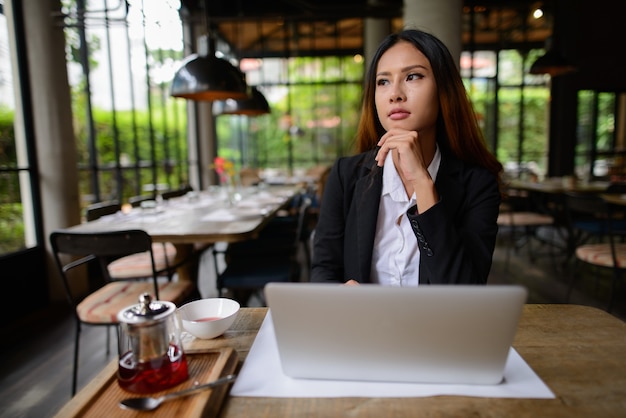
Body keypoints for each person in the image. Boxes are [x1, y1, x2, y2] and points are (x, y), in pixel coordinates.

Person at [311, 28, 503, 285]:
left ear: (444, 90)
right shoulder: (346, 175)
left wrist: (423, 185)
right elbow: (323, 270)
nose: (395, 94)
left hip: (436, 324)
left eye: (412, 76)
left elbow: (464, 290)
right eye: (383, 81)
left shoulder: (478, 184)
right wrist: (339, 294)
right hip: (362, 323)